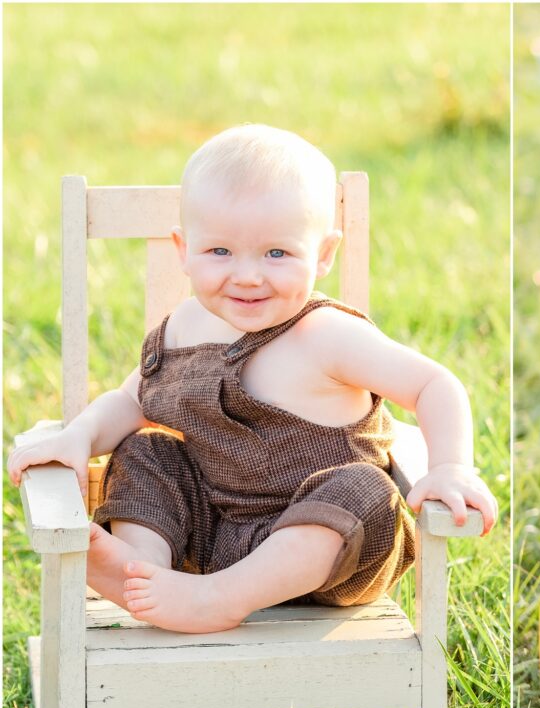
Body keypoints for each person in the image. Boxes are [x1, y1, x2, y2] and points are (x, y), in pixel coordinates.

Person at [8, 124, 498, 634]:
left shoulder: (327, 334)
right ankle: (142, 573)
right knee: (145, 451)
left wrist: (451, 468)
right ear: (184, 249)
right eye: (219, 252)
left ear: (324, 254)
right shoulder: (185, 327)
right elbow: (132, 399)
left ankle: (217, 599)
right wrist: (78, 437)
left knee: (366, 489)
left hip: (333, 556)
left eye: (277, 254)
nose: (246, 275)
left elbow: (434, 385)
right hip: (216, 535)